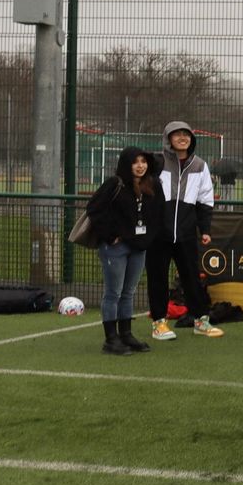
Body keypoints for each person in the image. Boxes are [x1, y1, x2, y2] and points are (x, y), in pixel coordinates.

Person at [148, 121, 223, 340]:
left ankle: (201, 321)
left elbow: (205, 199)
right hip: (158, 235)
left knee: (192, 278)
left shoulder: (200, 165)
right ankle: (159, 323)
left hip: (186, 234)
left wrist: (205, 229)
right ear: (168, 139)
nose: (183, 138)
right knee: (157, 278)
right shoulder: (157, 162)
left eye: (186, 134)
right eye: (177, 134)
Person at [86, 146, 162, 355]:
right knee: (114, 293)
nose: (140, 166)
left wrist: (147, 238)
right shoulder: (115, 184)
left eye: (143, 161)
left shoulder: (152, 185)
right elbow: (94, 209)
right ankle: (111, 339)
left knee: (129, 292)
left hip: (139, 247)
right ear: (126, 164)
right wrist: (111, 235)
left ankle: (126, 334)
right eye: (135, 162)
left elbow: (158, 214)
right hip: (116, 248)